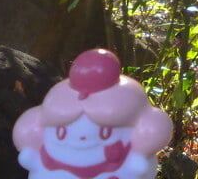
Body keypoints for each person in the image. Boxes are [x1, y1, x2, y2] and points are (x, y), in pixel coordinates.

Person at [12, 49, 172, 179]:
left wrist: (137, 161)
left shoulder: (131, 152)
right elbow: (30, 158)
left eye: (105, 133)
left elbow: (141, 167)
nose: (82, 138)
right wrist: (32, 158)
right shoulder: (46, 151)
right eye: (62, 132)